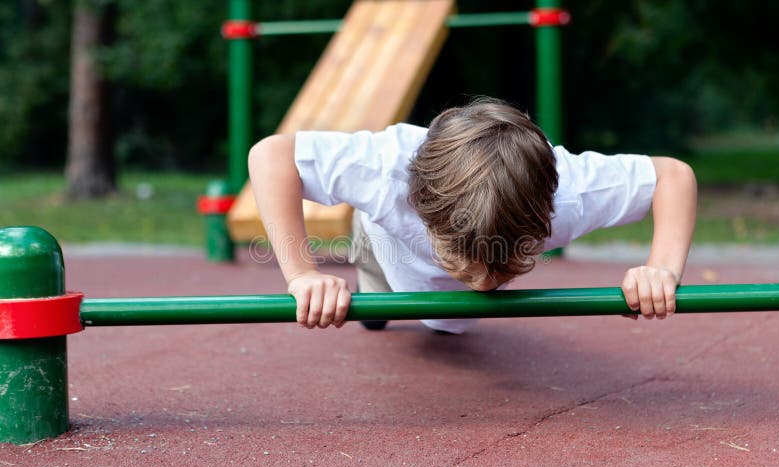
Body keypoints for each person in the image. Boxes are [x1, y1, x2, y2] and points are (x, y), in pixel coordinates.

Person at [248, 98, 697, 333]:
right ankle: (374, 270)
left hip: (438, 276)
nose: (485, 281)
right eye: (471, 263)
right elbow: (271, 156)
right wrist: (301, 275)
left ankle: (442, 295)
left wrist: (660, 268)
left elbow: (672, 177)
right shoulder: (383, 170)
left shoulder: (572, 189)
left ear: (544, 215)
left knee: (449, 327)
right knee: (381, 268)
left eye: (504, 262)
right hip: (390, 243)